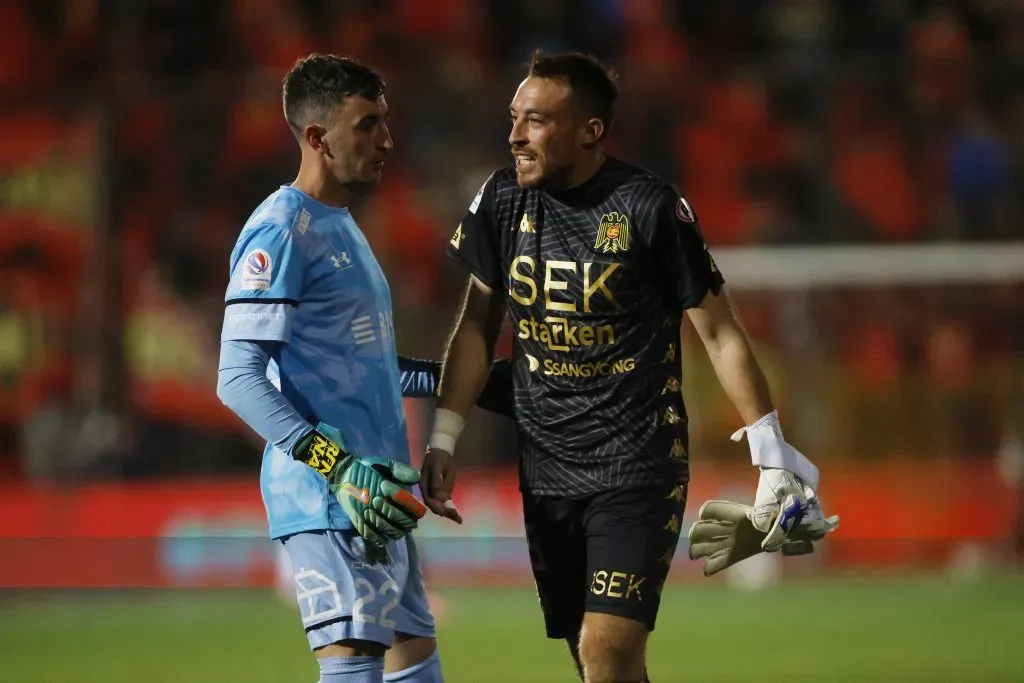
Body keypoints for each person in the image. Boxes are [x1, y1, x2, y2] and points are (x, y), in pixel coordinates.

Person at [420, 51, 828, 683]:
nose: (515, 135)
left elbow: (718, 331)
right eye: (513, 118)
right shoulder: (500, 200)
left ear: (590, 130)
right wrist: (445, 435)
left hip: (637, 463)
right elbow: (477, 327)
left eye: (535, 120)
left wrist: (772, 452)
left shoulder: (650, 207)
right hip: (547, 464)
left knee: (607, 649)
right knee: (596, 660)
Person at [217, 53, 441, 683]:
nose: (386, 140)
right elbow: (237, 377)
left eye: (385, 122)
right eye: (367, 124)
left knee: (416, 667)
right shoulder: (282, 229)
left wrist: (456, 382)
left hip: (378, 495)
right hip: (331, 495)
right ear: (317, 137)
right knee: (355, 668)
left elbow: (356, 364)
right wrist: (336, 467)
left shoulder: (339, 223)